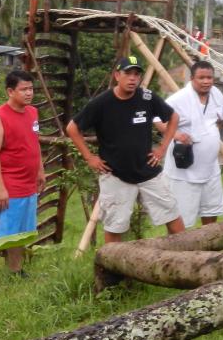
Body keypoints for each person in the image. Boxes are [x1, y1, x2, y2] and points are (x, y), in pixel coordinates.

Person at [66, 56, 185, 243]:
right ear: (116, 76)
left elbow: (173, 117)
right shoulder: (101, 103)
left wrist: (162, 148)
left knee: (172, 215)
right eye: (127, 73)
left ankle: (184, 259)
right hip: (115, 174)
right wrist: (89, 157)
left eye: (136, 74)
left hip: (148, 171)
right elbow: (72, 128)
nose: (132, 78)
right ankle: (112, 268)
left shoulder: (147, 97)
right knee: (115, 225)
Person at [0, 70, 45, 294]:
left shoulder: (33, 113)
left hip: (28, 185)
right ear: (10, 91)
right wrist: (0, 188)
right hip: (6, 187)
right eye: (24, 89)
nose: (29, 93)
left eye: (31, 89)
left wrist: (40, 171)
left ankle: (16, 270)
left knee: (21, 232)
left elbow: (34, 144)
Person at [159, 60, 223, 228]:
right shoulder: (178, 99)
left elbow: (220, 118)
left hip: (210, 166)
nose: (206, 81)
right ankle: (180, 250)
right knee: (182, 216)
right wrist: (176, 134)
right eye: (201, 78)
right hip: (184, 169)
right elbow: (158, 120)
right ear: (192, 79)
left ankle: (209, 245)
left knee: (211, 211)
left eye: (209, 78)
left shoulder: (217, 94)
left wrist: (210, 135)